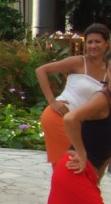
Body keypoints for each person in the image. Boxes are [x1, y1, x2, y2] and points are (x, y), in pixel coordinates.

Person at [44, 51, 111, 204]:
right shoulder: (102, 98)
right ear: (107, 72)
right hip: (73, 172)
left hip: (84, 177)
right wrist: (81, 152)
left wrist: (96, 182)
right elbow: (71, 118)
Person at [36, 23, 109, 168]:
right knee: (70, 164)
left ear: (107, 44)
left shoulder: (109, 69)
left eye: (97, 41)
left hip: (81, 124)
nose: (93, 46)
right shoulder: (78, 62)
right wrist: (52, 101)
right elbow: (41, 71)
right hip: (59, 117)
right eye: (90, 42)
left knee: (78, 165)